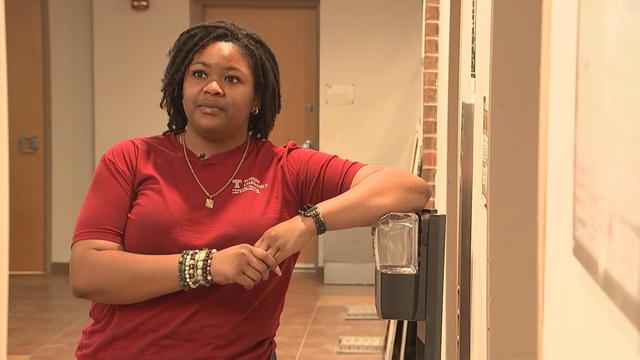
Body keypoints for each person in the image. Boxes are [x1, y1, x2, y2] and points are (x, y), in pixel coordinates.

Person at [70, 20, 430, 360]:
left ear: (257, 99)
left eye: (232, 78)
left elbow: (407, 189)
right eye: (199, 74)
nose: (212, 87)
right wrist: (207, 266)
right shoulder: (131, 159)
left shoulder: (285, 166)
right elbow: (88, 273)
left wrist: (308, 223)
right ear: (180, 85)